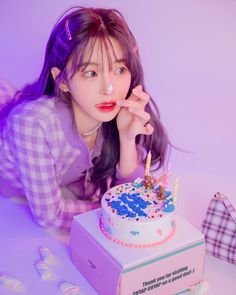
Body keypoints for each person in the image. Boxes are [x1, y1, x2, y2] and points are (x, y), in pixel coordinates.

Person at [0, 7, 170, 231]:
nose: (109, 88)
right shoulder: (33, 124)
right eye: (91, 73)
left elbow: (128, 193)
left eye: (120, 69)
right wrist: (116, 209)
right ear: (61, 81)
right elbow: (50, 216)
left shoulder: (109, 115)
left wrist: (127, 139)